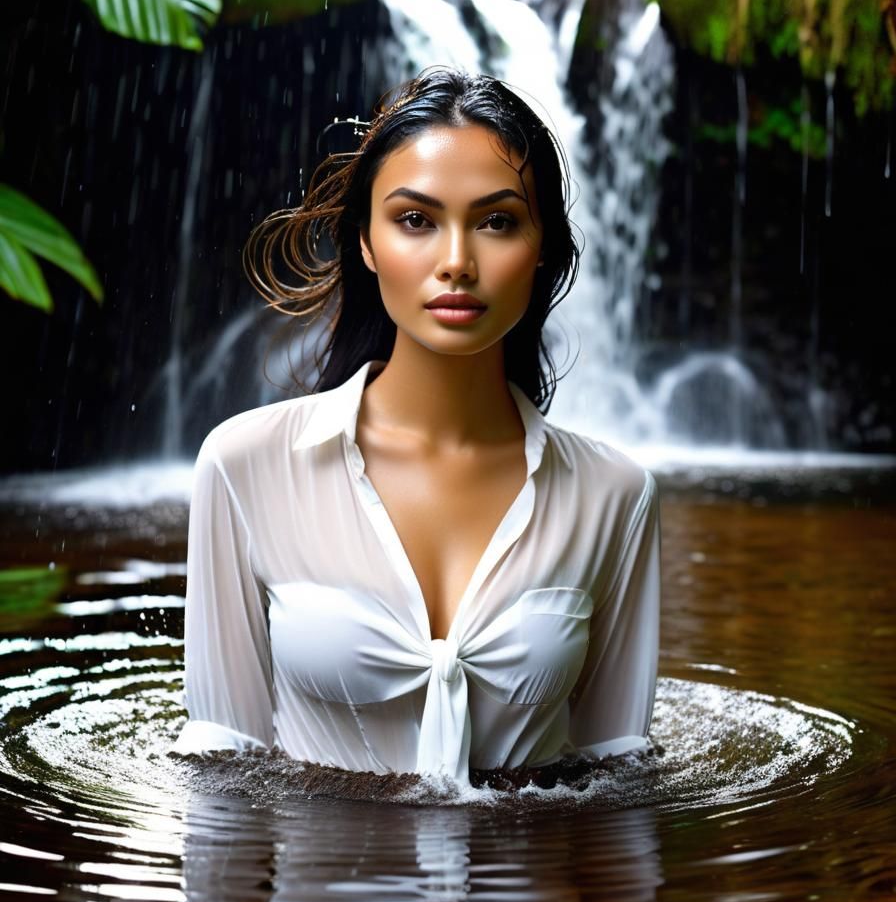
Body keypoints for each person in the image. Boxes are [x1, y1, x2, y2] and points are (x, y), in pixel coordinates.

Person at [172, 67, 660, 791]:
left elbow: (616, 786)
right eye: (415, 220)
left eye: (496, 221)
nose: (457, 263)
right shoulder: (245, 466)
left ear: (544, 248)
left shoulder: (614, 495)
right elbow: (219, 774)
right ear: (366, 243)